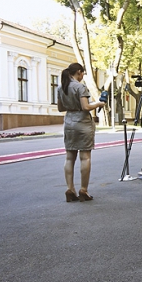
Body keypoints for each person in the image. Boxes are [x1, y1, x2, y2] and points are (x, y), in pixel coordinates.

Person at [57, 63, 105, 202]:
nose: (83, 76)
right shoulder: (80, 87)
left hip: (69, 123)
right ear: (78, 72)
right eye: (83, 73)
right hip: (83, 123)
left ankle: (70, 189)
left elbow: (60, 108)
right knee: (85, 157)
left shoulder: (61, 87)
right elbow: (85, 107)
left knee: (69, 157)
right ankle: (83, 190)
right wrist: (98, 104)